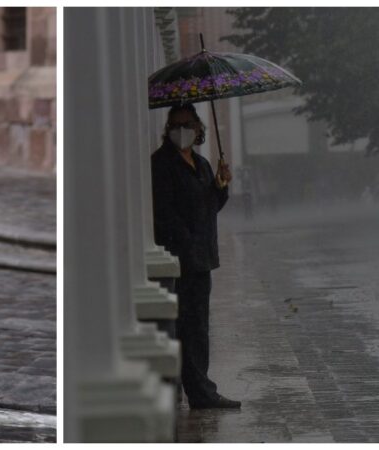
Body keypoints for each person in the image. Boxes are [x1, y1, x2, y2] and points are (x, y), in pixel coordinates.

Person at [151, 103, 240, 409]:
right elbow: (164, 213)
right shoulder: (161, 164)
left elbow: (209, 208)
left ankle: (202, 387)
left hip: (202, 259)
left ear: (199, 128)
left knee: (199, 327)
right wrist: (187, 243)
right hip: (180, 259)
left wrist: (221, 185)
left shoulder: (201, 165)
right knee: (187, 328)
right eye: (176, 125)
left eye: (188, 124)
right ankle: (199, 391)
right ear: (167, 130)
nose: (182, 130)